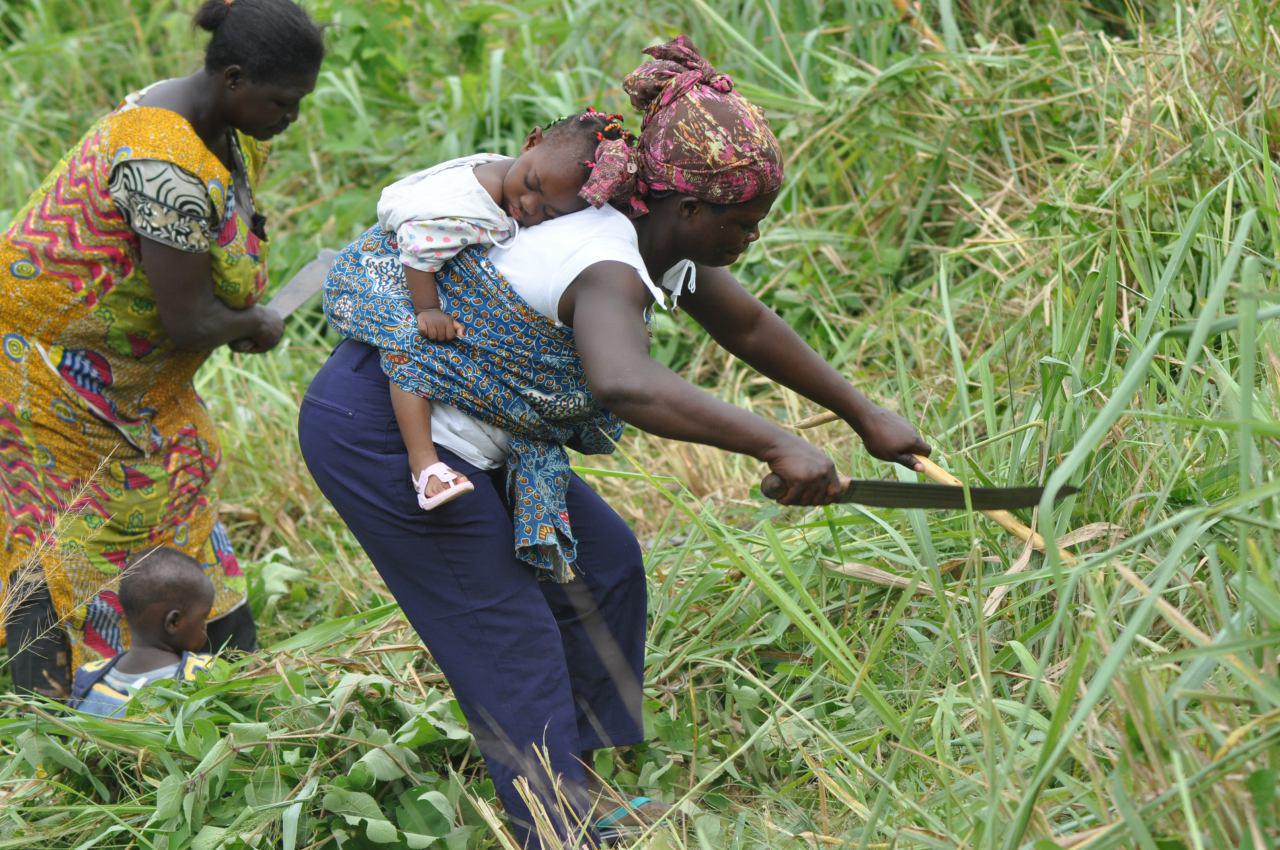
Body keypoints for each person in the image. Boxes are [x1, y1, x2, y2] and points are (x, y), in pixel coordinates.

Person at [299, 36, 930, 849]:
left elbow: (745, 321)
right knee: (506, 626)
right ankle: (555, 828)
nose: (751, 241)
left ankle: (580, 785)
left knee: (602, 567)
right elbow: (624, 382)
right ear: (690, 211)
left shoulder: (652, 233)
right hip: (386, 430)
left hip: (488, 430)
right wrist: (779, 443)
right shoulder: (601, 255)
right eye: (743, 226)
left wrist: (863, 415)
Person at [0, 0, 324, 700]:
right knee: (66, 532)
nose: (290, 118)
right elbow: (187, 318)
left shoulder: (223, 130)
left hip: (136, 382)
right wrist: (255, 322)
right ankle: (50, 711)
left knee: (183, 478)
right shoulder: (163, 165)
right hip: (52, 378)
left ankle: (211, 674)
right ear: (233, 79)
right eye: (282, 102)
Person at [372, 110, 641, 510]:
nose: (528, 206)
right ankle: (425, 465)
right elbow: (419, 246)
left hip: (424, 254)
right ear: (531, 142)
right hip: (408, 270)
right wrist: (427, 310)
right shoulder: (473, 209)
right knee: (413, 355)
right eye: (531, 184)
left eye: (549, 212)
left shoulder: (503, 172)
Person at [69, 548, 214, 717]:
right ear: (174, 622)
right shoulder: (202, 675)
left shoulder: (88, 678)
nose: (205, 627)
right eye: (203, 618)